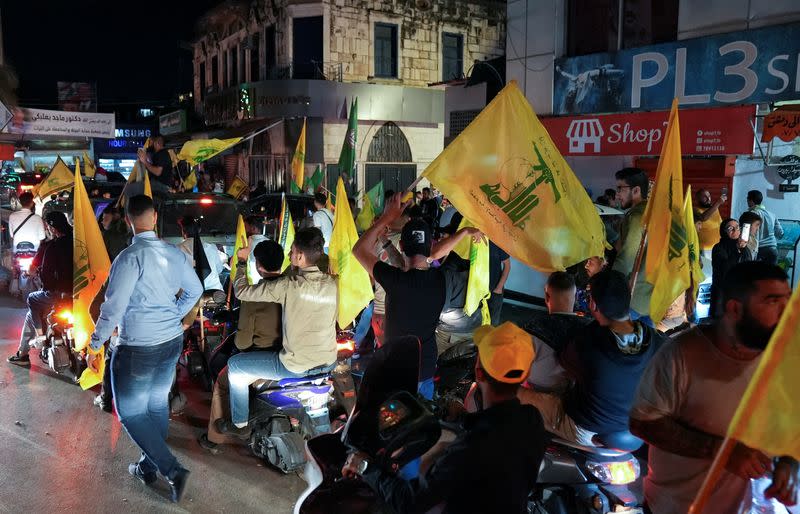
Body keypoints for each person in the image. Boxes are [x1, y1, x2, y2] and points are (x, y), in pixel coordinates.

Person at [630, 262, 798, 514]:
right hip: (675, 506)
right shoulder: (682, 355)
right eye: (773, 302)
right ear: (735, 309)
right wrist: (721, 452)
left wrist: (788, 463)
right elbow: (643, 422)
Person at [342, 322, 546, 514]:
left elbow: (410, 502)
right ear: (526, 375)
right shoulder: (532, 421)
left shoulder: (470, 447)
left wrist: (366, 467)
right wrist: (464, 419)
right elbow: (498, 432)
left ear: (479, 373)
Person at [86, 195, 202, 502]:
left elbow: (113, 309)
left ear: (128, 220)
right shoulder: (173, 253)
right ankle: (147, 468)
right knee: (155, 405)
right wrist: (175, 314)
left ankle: (172, 469)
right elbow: (196, 289)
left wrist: (95, 344)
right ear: (153, 218)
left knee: (131, 412)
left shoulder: (128, 258)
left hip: (138, 346)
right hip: (170, 342)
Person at [215, 227, 337, 438]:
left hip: (296, 366)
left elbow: (243, 291)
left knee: (235, 367)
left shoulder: (288, 286)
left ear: (299, 256)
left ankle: (240, 423)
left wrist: (242, 262)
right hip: (328, 363)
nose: (290, 255)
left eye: (292, 251)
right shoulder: (332, 283)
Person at [518, 270, 664, 445]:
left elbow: (566, 364)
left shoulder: (589, 340)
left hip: (583, 427)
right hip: (629, 425)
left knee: (515, 393)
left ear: (593, 304)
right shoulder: (655, 339)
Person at [353, 193, 449, 399]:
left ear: (402, 246)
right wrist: (385, 241)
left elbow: (359, 249)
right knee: (422, 415)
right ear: (430, 247)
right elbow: (412, 266)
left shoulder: (395, 280)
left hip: (397, 368)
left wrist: (386, 218)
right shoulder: (439, 278)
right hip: (425, 366)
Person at [198, 240, 284, 453]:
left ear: (259, 266)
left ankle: (216, 438)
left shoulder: (254, 295)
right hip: (290, 354)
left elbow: (243, 341)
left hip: (263, 357)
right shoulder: (292, 288)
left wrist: (241, 262)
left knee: (224, 381)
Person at [7, 212, 73, 366]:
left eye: (47, 227)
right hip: (77, 293)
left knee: (32, 301)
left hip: (54, 294)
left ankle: (38, 338)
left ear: (53, 228)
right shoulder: (77, 243)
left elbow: (32, 270)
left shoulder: (50, 246)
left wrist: (30, 273)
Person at [525, 271, 587, 393]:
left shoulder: (533, 329)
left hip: (536, 396)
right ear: (575, 298)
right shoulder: (591, 329)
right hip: (577, 397)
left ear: (547, 297)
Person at [612, 167, 653, 326]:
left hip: (632, 299)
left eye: (620, 189)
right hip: (650, 298)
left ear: (636, 190)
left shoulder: (637, 217)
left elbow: (627, 260)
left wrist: (609, 287)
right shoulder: (654, 213)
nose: (617, 194)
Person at [710, 218, 754, 318]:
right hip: (722, 294)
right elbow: (725, 270)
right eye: (730, 228)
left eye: (737, 227)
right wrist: (737, 251)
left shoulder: (743, 248)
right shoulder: (719, 248)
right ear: (723, 231)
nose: (735, 230)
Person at [177, 215, 225, 292]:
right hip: (214, 293)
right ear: (199, 230)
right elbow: (219, 269)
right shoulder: (211, 247)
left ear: (183, 231)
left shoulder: (177, 249)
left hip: (189, 295)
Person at [747, 190, 784, 266]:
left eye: (747, 199)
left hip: (758, 250)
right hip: (772, 249)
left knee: (756, 276)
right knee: (770, 276)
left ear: (751, 201)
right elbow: (780, 233)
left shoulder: (751, 214)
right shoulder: (772, 214)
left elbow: (746, 232)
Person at [694, 188, 727, 253]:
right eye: (704, 197)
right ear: (697, 199)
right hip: (705, 249)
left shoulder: (714, 209)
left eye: (709, 196)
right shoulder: (695, 210)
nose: (708, 199)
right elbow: (703, 218)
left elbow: (720, 225)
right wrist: (718, 203)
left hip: (719, 248)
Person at [488, 242, 511, 325]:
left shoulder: (497, 241)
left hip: (494, 289)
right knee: (476, 319)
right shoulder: (475, 238)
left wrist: (499, 288)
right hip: (478, 288)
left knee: (492, 322)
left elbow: (507, 266)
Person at [244, 215, 269, 284]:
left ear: (253, 228)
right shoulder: (271, 243)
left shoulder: (245, 245)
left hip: (251, 285)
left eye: (245, 227)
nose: (243, 230)